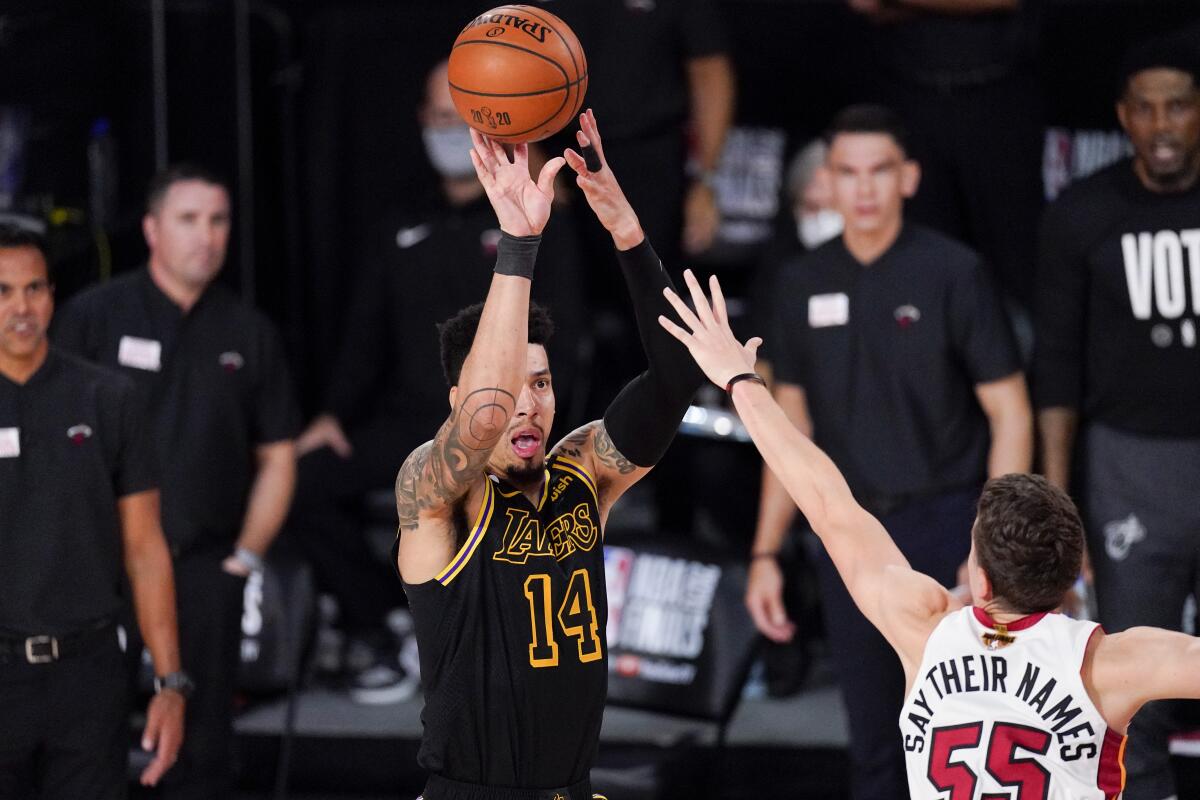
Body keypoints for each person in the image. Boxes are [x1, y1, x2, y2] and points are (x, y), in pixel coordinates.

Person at [657, 268, 1200, 800]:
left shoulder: (924, 629)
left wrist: (740, 381)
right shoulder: (1112, 663)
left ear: (979, 581)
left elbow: (828, 503)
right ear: (1071, 575)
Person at [395, 111, 702, 798]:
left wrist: (626, 231)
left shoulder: (582, 472)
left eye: (542, 382)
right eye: (511, 384)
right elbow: (484, 419)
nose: (526, 403)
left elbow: (678, 379)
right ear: (458, 396)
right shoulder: (437, 490)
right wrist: (519, 244)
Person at [748, 104, 1032, 798]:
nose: (864, 187)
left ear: (909, 177)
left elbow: (1010, 409)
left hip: (950, 521)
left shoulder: (953, 270)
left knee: (973, 735)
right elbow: (790, 432)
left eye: (880, 170)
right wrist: (765, 553)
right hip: (852, 536)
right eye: (847, 172)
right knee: (874, 738)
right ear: (829, 183)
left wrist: (989, 542)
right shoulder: (799, 282)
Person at [288, 59, 585, 703]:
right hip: (407, 424)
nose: (450, 131)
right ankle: (380, 623)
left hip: (501, 428)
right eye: (441, 117)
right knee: (299, 479)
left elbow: (564, 341)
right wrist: (334, 414)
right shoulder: (399, 225)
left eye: (467, 120)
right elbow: (364, 340)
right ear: (421, 123)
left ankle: (492, 652)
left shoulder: (530, 219)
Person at [52, 165, 300, 799]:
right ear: (151, 229)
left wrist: (243, 560)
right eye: (188, 219)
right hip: (104, 567)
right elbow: (54, 436)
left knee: (204, 746)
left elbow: (277, 456)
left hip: (202, 565)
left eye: (218, 220)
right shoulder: (93, 316)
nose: (206, 236)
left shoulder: (250, 332)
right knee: (86, 733)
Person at [1032, 35, 1200, 800]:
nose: (1162, 124)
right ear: (1123, 118)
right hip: (1129, 468)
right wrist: (1062, 512)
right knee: (1138, 693)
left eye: (1179, 106)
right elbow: (1056, 372)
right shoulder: (1082, 213)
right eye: (1146, 108)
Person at [0, 224, 184, 797]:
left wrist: (170, 683)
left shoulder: (108, 398)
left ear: (53, 295)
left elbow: (146, 549)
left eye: (35, 289)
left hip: (89, 673)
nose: (21, 307)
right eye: (2, 291)